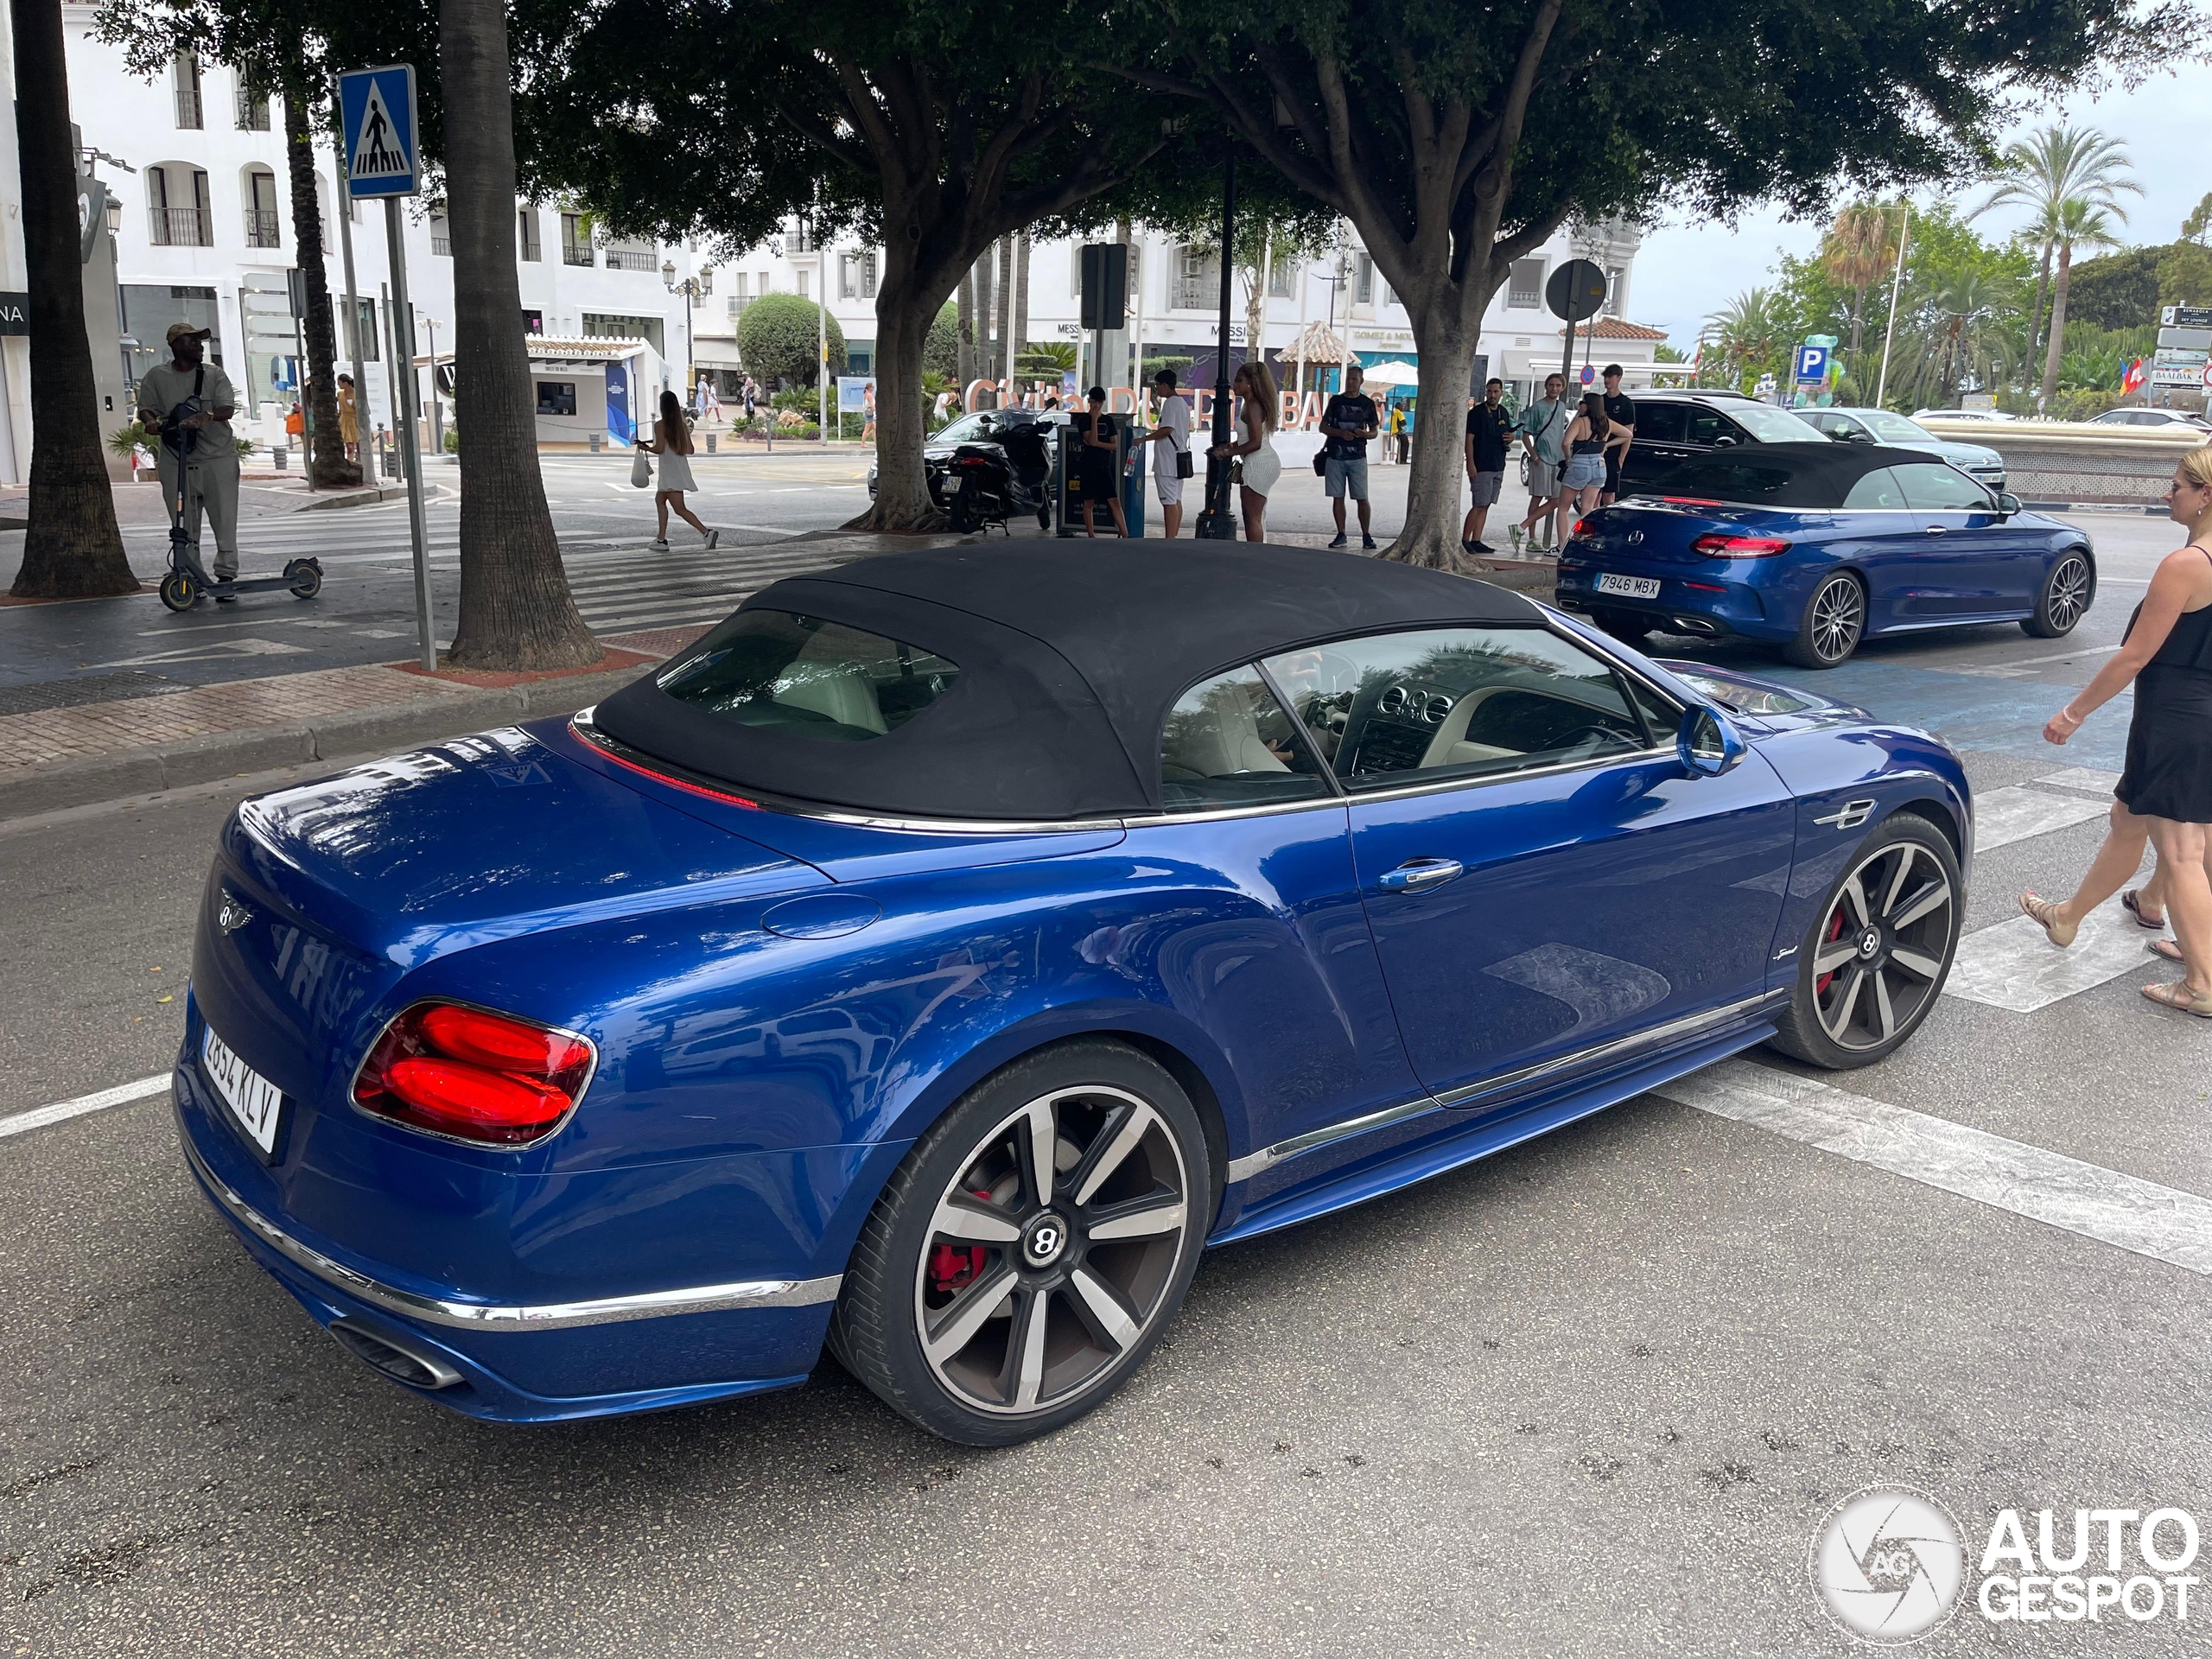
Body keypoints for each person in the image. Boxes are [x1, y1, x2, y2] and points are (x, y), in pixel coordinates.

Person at [2020, 451, 2212, 1018]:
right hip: (2200, 718)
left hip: (2175, 719)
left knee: (2182, 851)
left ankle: (2202, 984)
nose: (2168, 492)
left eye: (2177, 485)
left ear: (2206, 496)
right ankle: (2068, 917)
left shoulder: (2187, 565)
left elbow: (2133, 657)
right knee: (2129, 821)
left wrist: (2073, 713)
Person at [136, 322, 241, 600]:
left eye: (200, 341)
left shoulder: (214, 375)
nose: (200, 346)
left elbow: (227, 408)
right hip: (176, 459)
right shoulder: (157, 377)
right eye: (193, 342)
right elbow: (146, 407)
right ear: (176, 345)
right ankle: (192, 574)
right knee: (183, 522)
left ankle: (226, 573)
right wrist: (150, 422)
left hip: (217, 459)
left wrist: (206, 416)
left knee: (224, 517)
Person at [1210, 359, 1281, 543]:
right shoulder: (1252, 405)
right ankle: (1259, 551)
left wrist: (1227, 453)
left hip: (1257, 462)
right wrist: (1233, 446)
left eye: (1239, 380)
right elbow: (1251, 438)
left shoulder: (1253, 406)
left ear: (1250, 383)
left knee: (1252, 517)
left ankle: (1255, 555)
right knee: (1257, 515)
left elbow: (1255, 442)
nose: (1235, 385)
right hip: (1261, 460)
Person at [638, 388, 718, 550]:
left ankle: (705, 532)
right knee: (661, 500)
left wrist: (644, 448)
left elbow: (660, 448)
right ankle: (661, 539)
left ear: (663, 406)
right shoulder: (681, 425)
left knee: (679, 508)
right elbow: (690, 449)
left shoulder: (660, 425)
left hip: (669, 471)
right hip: (679, 468)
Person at [1320, 365, 1378, 550]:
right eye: (1348, 379)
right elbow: (1323, 427)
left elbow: (1375, 431)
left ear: (1361, 381)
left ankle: (1366, 535)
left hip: (1358, 457)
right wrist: (1339, 433)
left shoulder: (1367, 404)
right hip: (1335, 456)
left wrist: (1365, 434)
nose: (1351, 382)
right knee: (1338, 496)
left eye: (1355, 379)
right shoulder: (1336, 402)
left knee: (1362, 497)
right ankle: (1341, 533)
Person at [1516, 372, 1571, 549]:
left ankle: (1521, 527)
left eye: (1558, 385)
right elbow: (1526, 435)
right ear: (1546, 386)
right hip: (1542, 458)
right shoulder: (1537, 407)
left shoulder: (1561, 407)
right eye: (1551, 385)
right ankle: (1531, 538)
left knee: (1556, 499)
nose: (1555, 388)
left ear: (1562, 388)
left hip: (1557, 459)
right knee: (1537, 497)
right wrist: (1535, 456)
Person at [1136, 366, 1193, 538]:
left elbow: (1167, 429)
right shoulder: (1182, 404)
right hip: (1179, 458)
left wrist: (1143, 439)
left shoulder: (1170, 403)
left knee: (1169, 502)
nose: (1157, 389)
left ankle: (1169, 539)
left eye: (1158, 385)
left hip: (1168, 461)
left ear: (1165, 385)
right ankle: (1173, 537)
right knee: (1176, 500)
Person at [1560, 391, 1630, 520]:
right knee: (1588, 508)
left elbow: (1566, 442)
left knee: (1563, 508)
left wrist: (1567, 458)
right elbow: (1628, 434)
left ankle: (1562, 540)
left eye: (1582, 403)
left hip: (1580, 464)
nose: (1580, 405)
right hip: (1599, 465)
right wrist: (1607, 444)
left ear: (1589, 405)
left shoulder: (1579, 421)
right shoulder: (1607, 423)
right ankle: (1584, 538)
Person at [1463, 378, 1514, 556]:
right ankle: (1464, 539)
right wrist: (1470, 463)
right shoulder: (1476, 413)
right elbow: (1469, 439)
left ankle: (1477, 540)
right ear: (1486, 392)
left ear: (1501, 393)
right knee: (1479, 504)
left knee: (1486, 505)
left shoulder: (1503, 412)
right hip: (1481, 464)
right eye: (1490, 391)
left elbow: (1507, 433)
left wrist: (1511, 438)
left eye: (1496, 392)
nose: (1492, 395)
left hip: (1498, 464)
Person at [1072, 385, 1128, 537]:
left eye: (1100, 402)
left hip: (1104, 466)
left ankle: (1125, 534)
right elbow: (1090, 440)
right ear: (1090, 401)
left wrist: (1099, 444)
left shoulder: (1108, 420)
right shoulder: (1083, 420)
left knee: (1114, 501)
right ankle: (1091, 535)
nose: (1097, 405)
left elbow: (1114, 445)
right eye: (1094, 401)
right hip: (1088, 466)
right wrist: (1094, 420)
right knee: (1088, 502)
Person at [1599, 363, 1636, 505]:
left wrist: (1621, 458)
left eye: (1610, 376)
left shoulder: (1626, 404)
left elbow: (1628, 433)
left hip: (1613, 455)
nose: (1607, 380)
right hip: (1596, 453)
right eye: (1605, 377)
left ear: (1618, 378)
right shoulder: (1599, 401)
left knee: (1609, 494)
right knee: (1594, 493)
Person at [337, 373, 359, 464]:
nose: (338, 385)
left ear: (345, 383)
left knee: (360, 446)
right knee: (349, 447)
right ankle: (350, 464)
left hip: (356, 420)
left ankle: (359, 464)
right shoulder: (340, 394)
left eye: (339, 383)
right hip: (344, 420)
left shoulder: (356, 393)